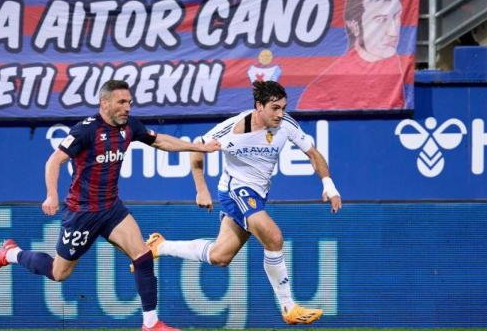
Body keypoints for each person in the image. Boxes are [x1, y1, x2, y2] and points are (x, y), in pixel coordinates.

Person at [0, 80, 220, 331]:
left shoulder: (130, 127)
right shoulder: (85, 131)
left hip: (111, 208)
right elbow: (54, 162)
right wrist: (51, 195)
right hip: (82, 213)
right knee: (59, 273)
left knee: (142, 254)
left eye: (129, 102)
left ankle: (151, 324)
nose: (127, 108)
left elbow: (161, 141)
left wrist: (199, 148)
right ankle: (10, 253)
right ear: (104, 103)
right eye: (121, 102)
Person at [140, 80, 342, 324]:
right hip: (235, 190)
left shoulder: (286, 124)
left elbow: (313, 153)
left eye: (283, 108)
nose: (280, 114)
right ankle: (289, 306)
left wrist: (329, 186)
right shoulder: (233, 130)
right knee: (274, 236)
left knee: (220, 256)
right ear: (259, 106)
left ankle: (159, 246)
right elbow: (196, 149)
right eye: (274, 108)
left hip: (258, 194)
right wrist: (201, 189)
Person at [298, 0, 412, 110]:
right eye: (381, 20)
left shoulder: (400, 63)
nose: (393, 32)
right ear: (354, 26)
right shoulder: (321, 93)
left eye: (397, 16)